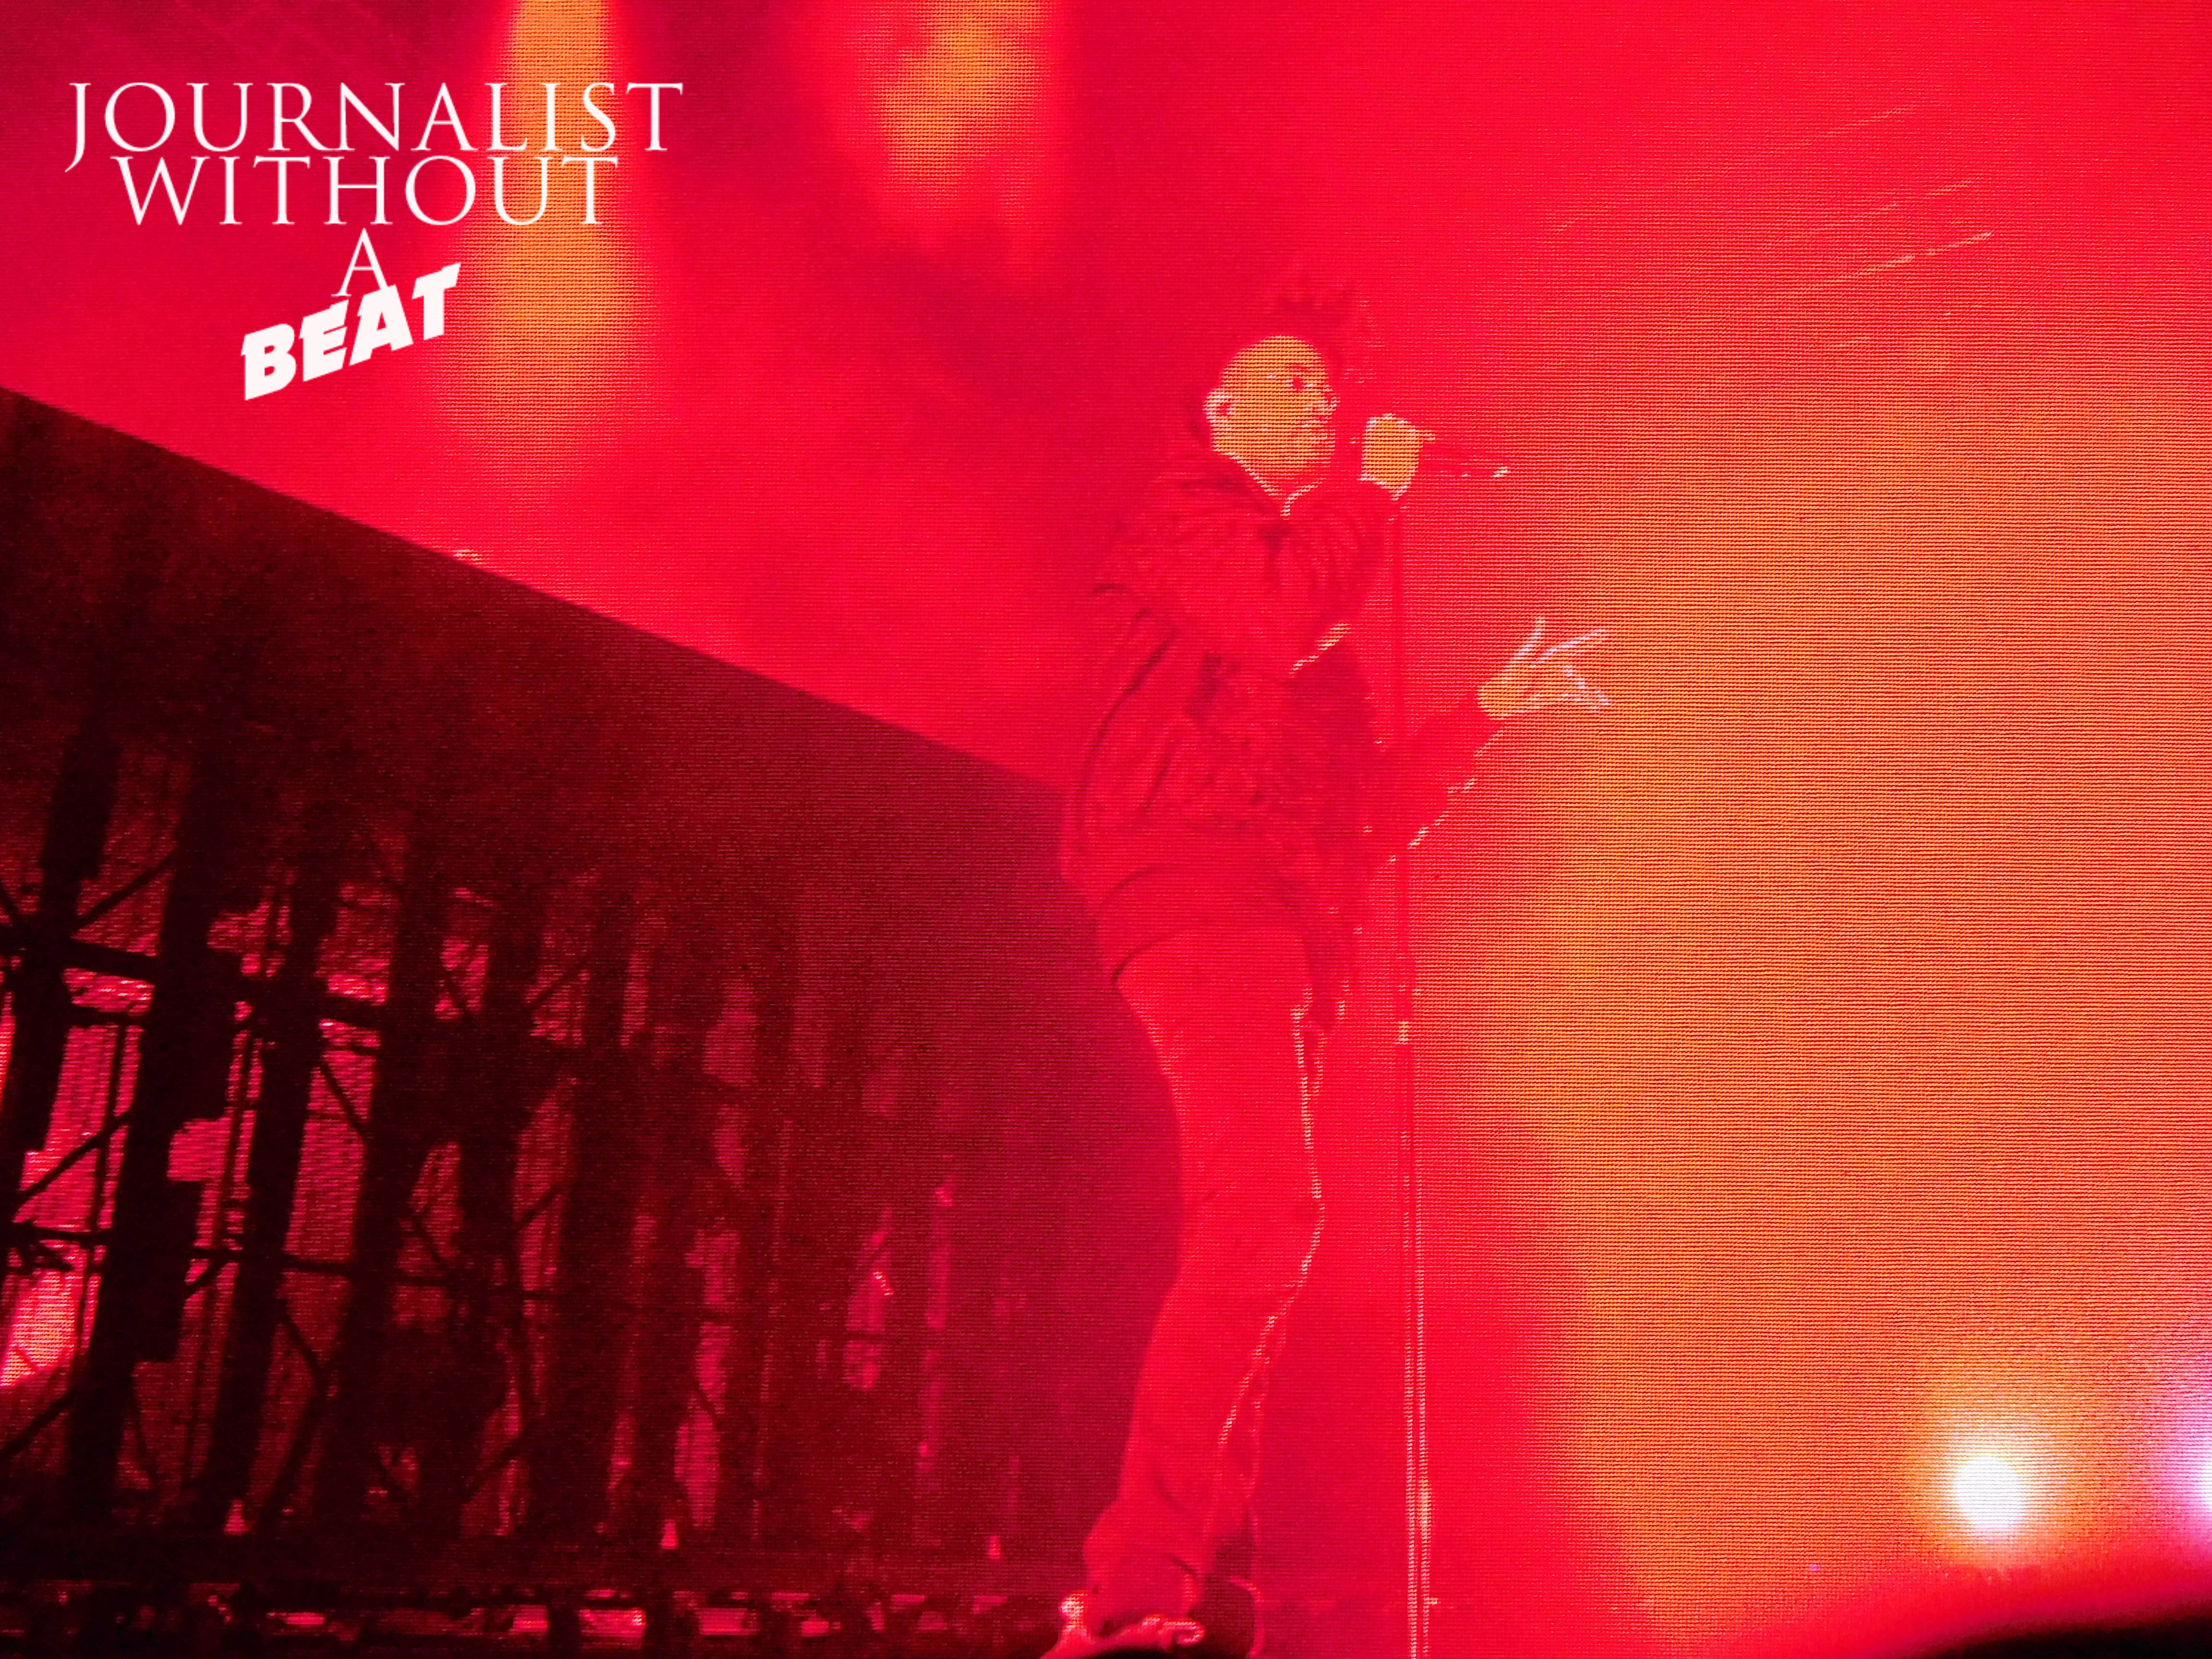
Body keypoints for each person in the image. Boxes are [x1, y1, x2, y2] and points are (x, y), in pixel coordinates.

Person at [1050, 298, 1610, 1659]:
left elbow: (1358, 822)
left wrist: (1483, 717)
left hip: (1282, 925)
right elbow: (1284, 614)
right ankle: (1132, 1591)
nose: (1322, 402)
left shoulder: (1309, 607)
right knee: (1268, 1214)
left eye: (1326, 388)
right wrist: (1375, 495)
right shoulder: (1189, 511)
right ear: (1221, 414)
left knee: (1256, 1239)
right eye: (1290, 383)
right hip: (1195, 887)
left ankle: (1176, 1590)